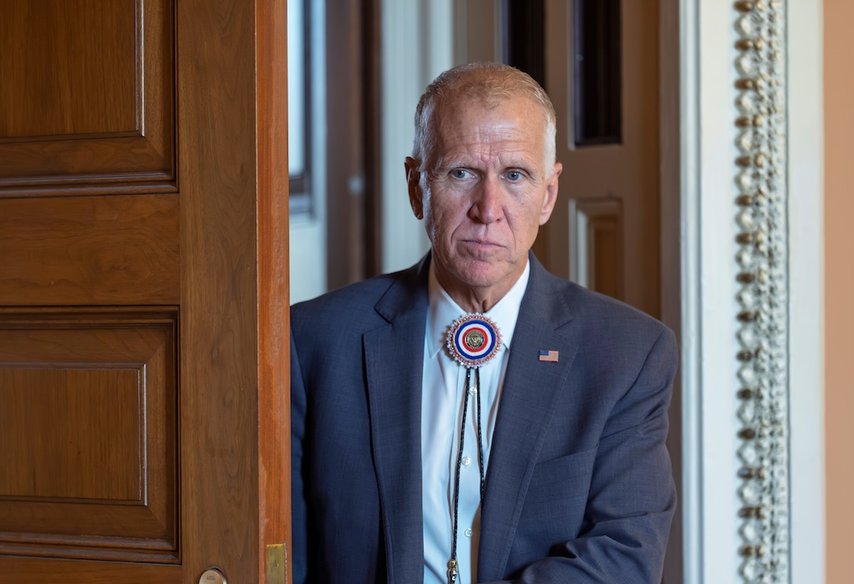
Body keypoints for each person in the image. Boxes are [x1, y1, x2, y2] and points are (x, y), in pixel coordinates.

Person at [290, 62, 677, 583]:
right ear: (416, 186)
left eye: (515, 175)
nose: (488, 208)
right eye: (461, 173)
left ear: (548, 194)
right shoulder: (316, 340)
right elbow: (282, 549)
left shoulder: (627, 354)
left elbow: (624, 557)